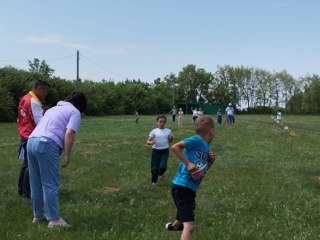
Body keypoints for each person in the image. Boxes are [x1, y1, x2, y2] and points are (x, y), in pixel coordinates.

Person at [27, 91, 87, 228]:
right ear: (81, 105)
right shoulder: (74, 112)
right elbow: (69, 132)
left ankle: (37, 215)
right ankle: (54, 220)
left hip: (31, 141)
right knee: (50, 183)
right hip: (47, 144)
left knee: (35, 182)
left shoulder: (52, 109)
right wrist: (67, 154)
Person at [166, 115, 216, 240]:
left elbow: (202, 170)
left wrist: (210, 162)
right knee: (189, 226)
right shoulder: (197, 140)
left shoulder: (207, 147)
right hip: (183, 186)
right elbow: (174, 147)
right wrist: (188, 163)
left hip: (189, 188)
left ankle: (174, 226)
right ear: (212, 131)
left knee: (187, 211)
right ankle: (180, 227)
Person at [17, 79, 50, 198]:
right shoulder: (33, 101)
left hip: (23, 133)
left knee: (25, 164)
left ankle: (21, 190)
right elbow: (39, 121)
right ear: (39, 88)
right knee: (30, 165)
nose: (45, 94)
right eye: (45, 91)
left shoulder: (24, 97)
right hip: (30, 135)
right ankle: (27, 192)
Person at [146, 115, 173, 185]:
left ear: (165, 122)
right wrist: (151, 142)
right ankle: (154, 181)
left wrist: (170, 138)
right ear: (157, 122)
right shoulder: (154, 131)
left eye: (163, 122)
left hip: (165, 151)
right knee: (154, 168)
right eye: (160, 122)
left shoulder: (168, 131)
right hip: (156, 151)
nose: (162, 123)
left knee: (163, 166)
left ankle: (161, 173)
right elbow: (148, 141)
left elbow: (170, 141)